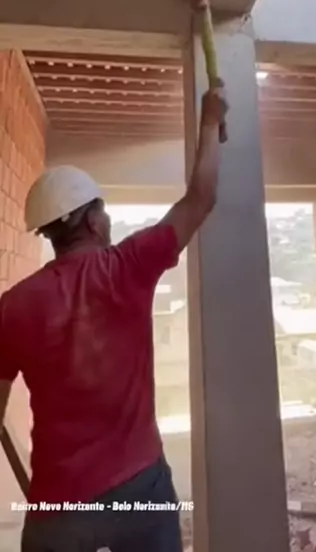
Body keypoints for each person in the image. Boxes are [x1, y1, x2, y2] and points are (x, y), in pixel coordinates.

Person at [0, 84, 228, 552]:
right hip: (140, 490)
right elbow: (200, 198)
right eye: (104, 213)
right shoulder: (128, 267)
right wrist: (209, 121)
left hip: (58, 506)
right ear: (91, 221)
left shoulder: (15, 305)